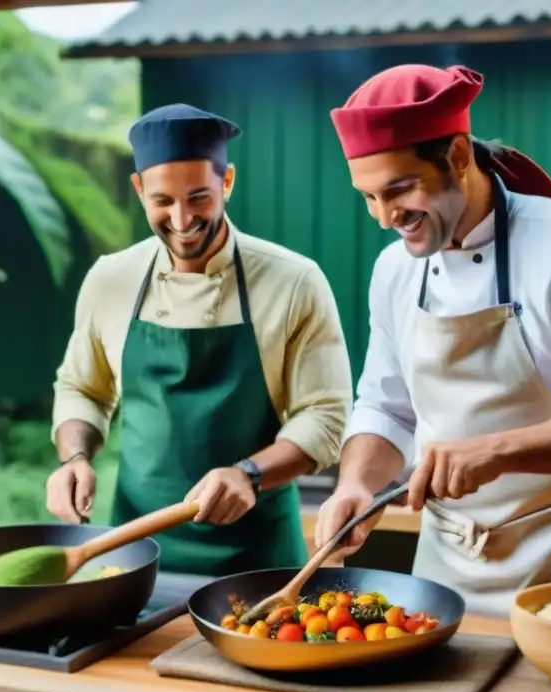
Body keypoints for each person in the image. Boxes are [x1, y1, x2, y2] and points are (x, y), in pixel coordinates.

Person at [314, 63, 551, 616]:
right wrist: (356, 485)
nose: (384, 217)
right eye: (369, 197)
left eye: (400, 189)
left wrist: (495, 451)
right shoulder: (394, 271)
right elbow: (386, 407)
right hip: (447, 567)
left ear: (458, 156)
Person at [47, 103, 354, 577]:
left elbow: (326, 415)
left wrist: (249, 474)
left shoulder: (293, 281)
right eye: (162, 201)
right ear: (139, 190)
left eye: (198, 198)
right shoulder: (111, 279)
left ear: (227, 182)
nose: (182, 219)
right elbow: (82, 388)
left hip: (258, 561)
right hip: (134, 554)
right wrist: (75, 457)